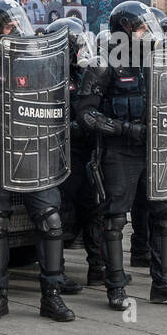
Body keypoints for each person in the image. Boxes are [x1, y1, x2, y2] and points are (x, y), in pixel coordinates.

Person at [0, 0, 76, 324]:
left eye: (18, 23)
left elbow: (58, 102)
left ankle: (52, 296)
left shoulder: (37, 63)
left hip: (36, 153)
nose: (17, 30)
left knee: (50, 220)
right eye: (9, 26)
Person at [75, 1, 167, 308]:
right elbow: (85, 114)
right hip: (119, 153)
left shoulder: (156, 63)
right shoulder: (103, 65)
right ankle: (115, 287)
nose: (146, 34)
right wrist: (126, 129)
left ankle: (163, 284)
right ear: (123, 31)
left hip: (154, 150)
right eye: (140, 29)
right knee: (114, 219)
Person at [44, 18, 106, 288]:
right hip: (57, 153)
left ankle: (98, 267)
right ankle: (57, 274)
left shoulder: (83, 74)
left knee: (93, 210)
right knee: (57, 213)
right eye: (77, 45)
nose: (81, 50)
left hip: (83, 153)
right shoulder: (45, 75)